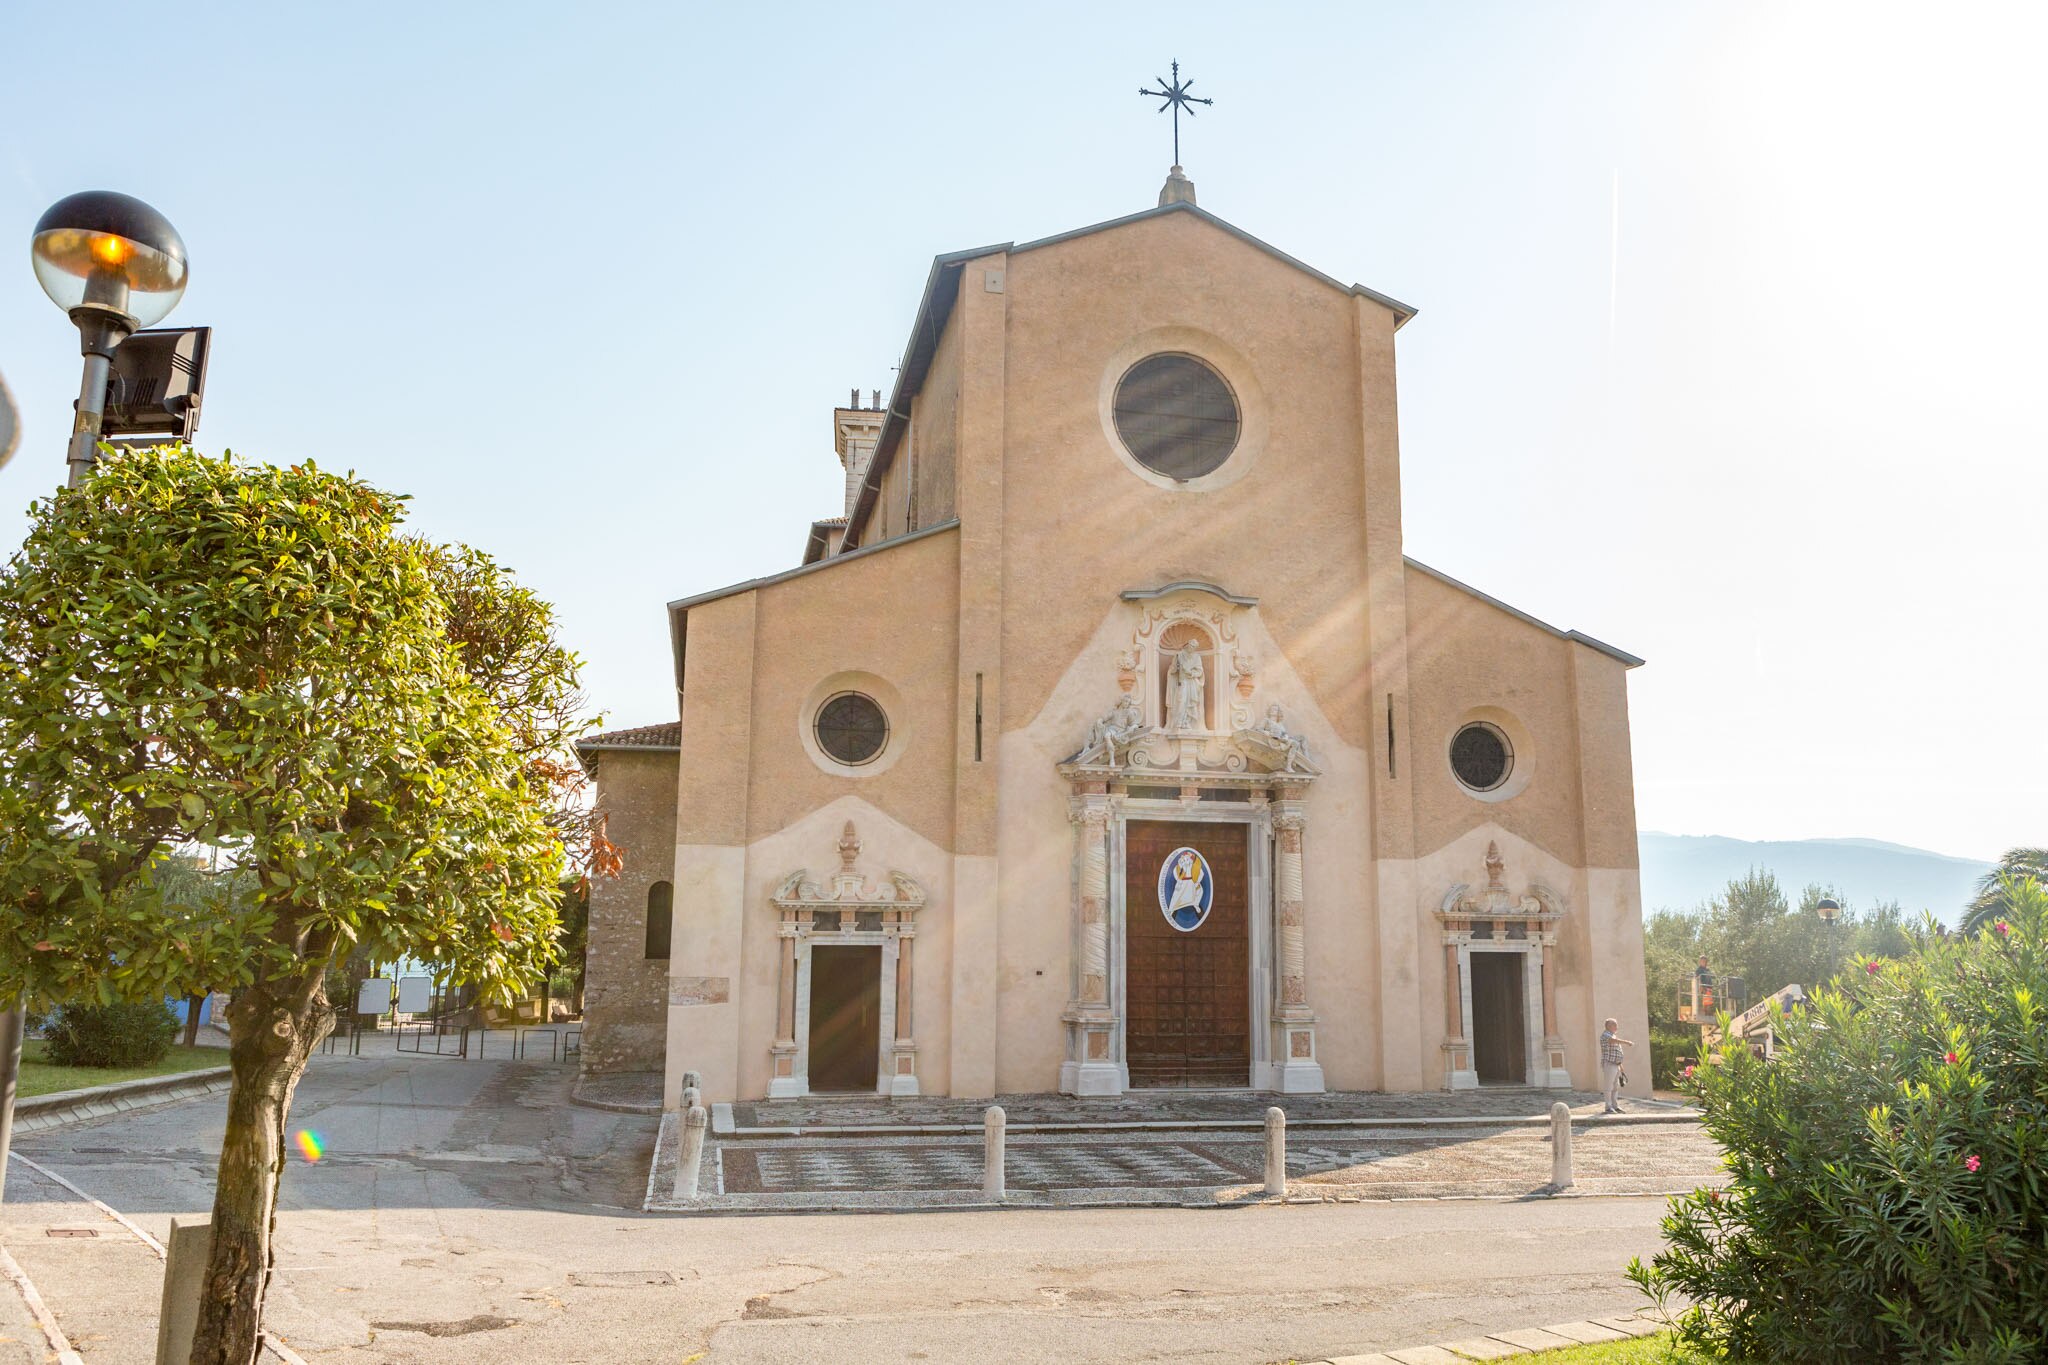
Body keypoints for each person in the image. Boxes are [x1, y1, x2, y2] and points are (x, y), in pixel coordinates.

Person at [1600, 1018, 1634, 1114]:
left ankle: (1615, 1106)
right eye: (1615, 1025)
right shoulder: (1605, 1035)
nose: (1617, 1027)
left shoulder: (1613, 1036)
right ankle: (1608, 1107)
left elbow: (1616, 1052)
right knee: (1608, 1087)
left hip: (1616, 1064)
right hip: (1609, 1064)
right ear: (1609, 1026)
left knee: (1615, 1087)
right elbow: (1612, 1041)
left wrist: (1621, 1066)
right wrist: (1627, 1042)